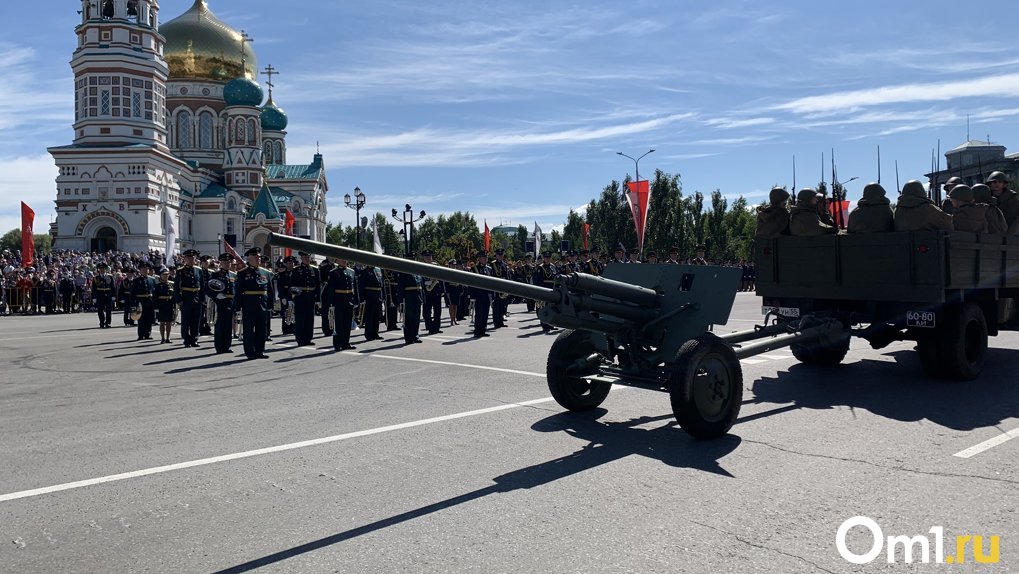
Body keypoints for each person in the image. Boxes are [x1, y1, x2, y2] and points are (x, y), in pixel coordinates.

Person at [234, 247, 272, 359]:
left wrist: (270, 304)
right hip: (249, 304)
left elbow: (269, 290)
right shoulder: (243, 273)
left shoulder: (265, 272)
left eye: (258, 257)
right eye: (255, 257)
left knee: (262, 329)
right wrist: (237, 306)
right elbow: (239, 291)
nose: (258, 259)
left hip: (262, 304)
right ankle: (250, 352)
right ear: (249, 258)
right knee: (249, 329)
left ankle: (260, 351)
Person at [325, 257, 358, 350]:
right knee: (339, 323)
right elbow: (330, 289)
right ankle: (337, 343)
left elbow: (354, 287)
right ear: (337, 260)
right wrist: (331, 303)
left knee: (347, 323)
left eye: (345, 259)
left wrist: (356, 300)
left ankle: (345, 342)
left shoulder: (351, 271)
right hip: (339, 300)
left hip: (349, 300)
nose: (344, 260)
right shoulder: (333, 272)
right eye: (342, 259)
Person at [174, 248, 205, 348]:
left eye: (193, 258)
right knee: (186, 320)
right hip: (186, 298)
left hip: (197, 297)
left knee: (196, 320)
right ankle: (186, 339)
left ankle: (194, 339)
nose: (191, 259)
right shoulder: (180, 271)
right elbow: (176, 287)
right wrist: (179, 300)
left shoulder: (198, 270)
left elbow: (202, 285)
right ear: (185, 259)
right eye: (189, 258)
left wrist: (202, 298)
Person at [290, 250, 320, 346]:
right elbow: (292, 284)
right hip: (300, 296)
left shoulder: (315, 270)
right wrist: (293, 296)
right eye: (305, 257)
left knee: (309, 318)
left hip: (310, 296)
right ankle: (300, 339)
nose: (307, 259)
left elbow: (318, 285)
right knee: (300, 319)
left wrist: (318, 299)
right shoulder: (296, 270)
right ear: (301, 258)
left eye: (308, 257)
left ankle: (308, 338)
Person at [209, 253, 236, 354]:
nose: (227, 263)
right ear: (220, 263)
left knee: (228, 326)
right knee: (220, 326)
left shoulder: (233, 274)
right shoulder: (215, 274)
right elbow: (208, 288)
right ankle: (219, 347)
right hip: (220, 303)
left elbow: (236, 290)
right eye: (224, 262)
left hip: (230, 303)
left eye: (228, 262)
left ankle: (227, 346)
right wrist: (216, 296)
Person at [469, 252, 494, 338]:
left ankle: (483, 329)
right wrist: (472, 296)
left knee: (485, 313)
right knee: (479, 313)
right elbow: (471, 282)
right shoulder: (474, 268)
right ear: (479, 258)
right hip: (478, 294)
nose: (485, 259)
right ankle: (477, 331)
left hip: (486, 294)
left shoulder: (488, 269)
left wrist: (492, 294)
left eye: (486, 257)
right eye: (483, 257)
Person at [397, 263, 423, 344]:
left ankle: (415, 336)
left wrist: (423, 298)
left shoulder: (417, 272)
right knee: (408, 319)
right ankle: (408, 338)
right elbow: (400, 288)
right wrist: (400, 301)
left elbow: (420, 286)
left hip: (417, 297)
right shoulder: (404, 272)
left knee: (416, 318)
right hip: (408, 297)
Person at [532, 252, 557, 333]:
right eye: (546, 257)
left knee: (551, 308)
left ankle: (551, 324)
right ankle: (544, 325)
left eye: (549, 257)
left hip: (552, 289)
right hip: (544, 289)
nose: (547, 259)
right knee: (544, 308)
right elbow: (537, 281)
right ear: (543, 258)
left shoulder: (553, 267)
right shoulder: (540, 268)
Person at [420, 250, 445, 334]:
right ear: (423, 258)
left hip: (436, 291)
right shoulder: (421, 266)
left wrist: (442, 290)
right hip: (426, 291)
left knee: (438, 310)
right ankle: (430, 327)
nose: (428, 258)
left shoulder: (436, 265)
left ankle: (436, 327)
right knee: (427, 311)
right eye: (426, 256)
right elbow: (421, 279)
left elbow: (441, 278)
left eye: (430, 256)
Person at [358, 264, 385, 341]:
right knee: (369, 316)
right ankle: (369, 334)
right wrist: (362, 299)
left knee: (377, 316)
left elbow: (381, 284)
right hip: (369, 296)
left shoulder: (378, 269)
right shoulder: (364, 271)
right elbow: (361, 286)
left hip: (378, 295)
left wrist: (383, 296)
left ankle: (375, 333)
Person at [131, 261, 156, 340]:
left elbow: (154, 292)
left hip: (149, 301)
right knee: (141, 319)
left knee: (149, 318)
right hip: (140, 301)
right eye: (143, 269)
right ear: (140, 270)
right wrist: (133, 304)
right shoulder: (136, 280)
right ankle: (141, 335)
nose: (145, 270)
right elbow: (132, 294)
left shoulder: (152, 279)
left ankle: (148, 334)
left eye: (147, 269)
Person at [154, 266, 176, 344]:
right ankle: (162, 338)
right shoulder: (158, 286)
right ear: (161, 276)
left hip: (169, 305)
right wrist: (156, 307)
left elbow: (174, 296)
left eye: (167, 275)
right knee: (162, 322)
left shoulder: (171, 284)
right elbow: (155, 297)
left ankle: (168, 337)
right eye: (164, 275)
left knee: (169, 322)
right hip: (161, 305)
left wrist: (174, 305)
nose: (165, 276)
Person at [490, 248, 511, 328]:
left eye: (502, 255)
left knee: (503, 305)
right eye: (499, 255)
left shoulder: (504, 264)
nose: (500, 256)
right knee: (496, 306)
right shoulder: (493, 264)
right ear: (496, 255)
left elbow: (506, 276)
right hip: (496, 286)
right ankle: (496, 322)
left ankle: (501, 321)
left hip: (503, 286)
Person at [277, 255, 296, 335]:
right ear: (285, 264)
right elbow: (280, 286)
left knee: (294, 312)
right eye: (289, 263)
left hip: (294, 294)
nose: (291, 264)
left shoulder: (296, 272)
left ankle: (294, 328)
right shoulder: (283, 273)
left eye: (292, 263)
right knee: (286, 312)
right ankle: (286, 329)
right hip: (286, 294)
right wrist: (282, 297)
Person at [92, 261, 114, 328]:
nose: (102, 270)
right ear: (99, 270)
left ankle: (108, 322)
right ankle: (102, 322)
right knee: (100, 309)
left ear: (105, 269)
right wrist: (94, 297)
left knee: (108, 309)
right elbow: (94, 288)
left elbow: (112, 286)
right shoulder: (96, 278)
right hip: (99, 294)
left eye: (103, 269)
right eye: (101, 269)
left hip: (108, 294)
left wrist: (113, 295)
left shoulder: (110, 277)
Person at [318, 257, 335, 337]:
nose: (333, 258)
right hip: (326, 291)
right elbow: (320, 280)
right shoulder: (324, 267)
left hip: (335, 292)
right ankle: (326, 330)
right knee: (325, 312)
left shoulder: (336, 266)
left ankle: (333, 328)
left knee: (334, 312)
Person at [444, 259, 462, 326]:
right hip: (450, 289)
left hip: (456, 289)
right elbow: (445, 283)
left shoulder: (457, 271)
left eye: (455, 265)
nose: (454, 266)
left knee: (456, 305)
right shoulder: (447, 272)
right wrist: (447, 291)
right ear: (449, 265)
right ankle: (451, 320)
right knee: (451, 305)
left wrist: (461, 290)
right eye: (452, 265)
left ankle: (454, 319)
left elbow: (460, 282)